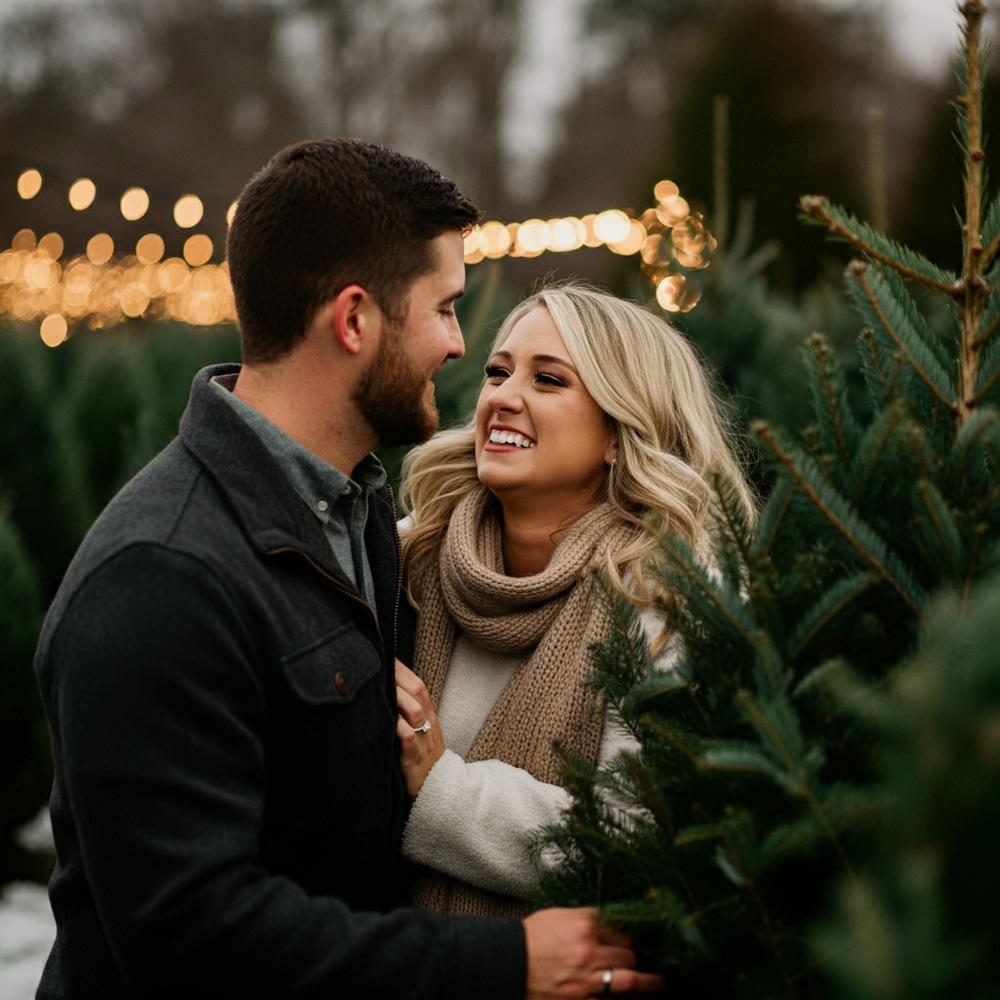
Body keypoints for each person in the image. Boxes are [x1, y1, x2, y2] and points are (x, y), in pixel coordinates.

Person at [33, 141, 662, 999]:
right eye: (444, 308)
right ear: (356, 319)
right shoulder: (161, 578)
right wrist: (505, 964)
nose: (457, 346)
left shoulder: (364, 521)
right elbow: (194, 938)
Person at [393, 283, 756, 917]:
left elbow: (643, 837)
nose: (503, 397)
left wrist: (438, 784)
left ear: (620, 432)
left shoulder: (671, 599)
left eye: (549, 381)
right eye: (498, 372)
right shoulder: (408, 558)